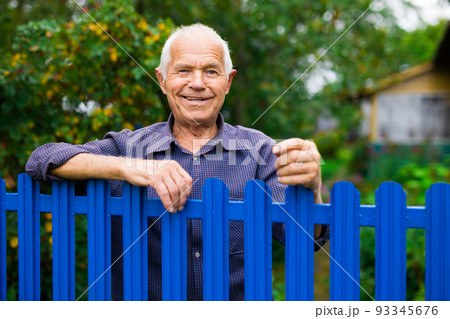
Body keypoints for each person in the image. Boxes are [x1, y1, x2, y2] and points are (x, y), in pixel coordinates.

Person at [26, 23, 329, 300]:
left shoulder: (261, 150)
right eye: (183, 70)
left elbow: (304, 239)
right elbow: (42, 160)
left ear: (228, 81)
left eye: (211, 71)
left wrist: (313, 189)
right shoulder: (128, 147)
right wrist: (128, 166)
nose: (197, 83)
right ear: (162, 79)